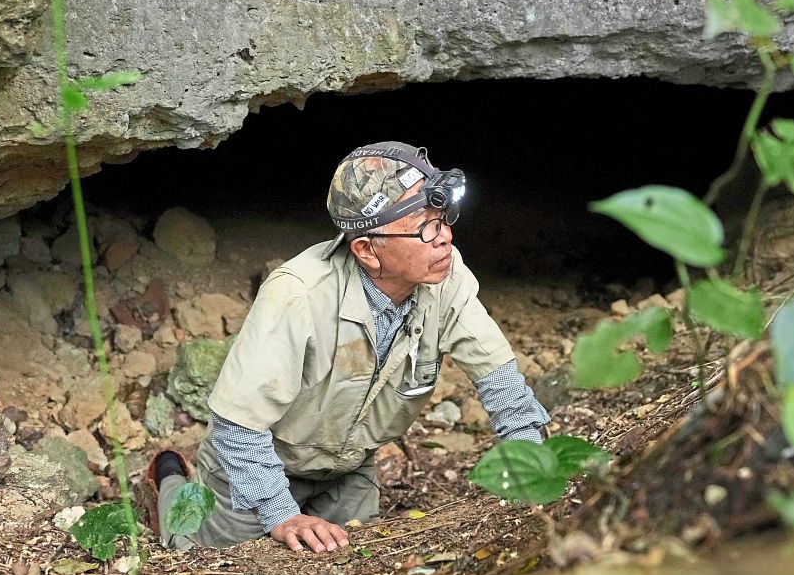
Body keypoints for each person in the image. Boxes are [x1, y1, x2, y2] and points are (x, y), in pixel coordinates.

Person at [145, 141, 550, 553]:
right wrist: (281, 514)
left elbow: (501, 382)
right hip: (255, 464)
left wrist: (533, 471)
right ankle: (169, 477)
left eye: (443, 219)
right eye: (424, 227)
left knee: (359, 560)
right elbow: (239, 426)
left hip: (348, 468)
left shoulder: (446, 276)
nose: (444, 237)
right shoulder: (299, 295)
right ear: (367, 250)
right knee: (200, 552)